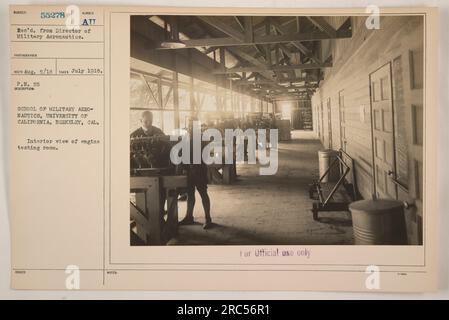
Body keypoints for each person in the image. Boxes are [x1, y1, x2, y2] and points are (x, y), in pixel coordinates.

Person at [179, 117, 213, 230]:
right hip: (189, 170)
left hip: (199, 171)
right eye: (189, 126)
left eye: (192, 126)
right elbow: (181, 152)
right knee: (190, 194)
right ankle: (189, 217)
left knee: (203, 193)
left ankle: (208, 219)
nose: (190, 128)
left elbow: (206, 155)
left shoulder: (203, 139)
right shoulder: (186, 137)